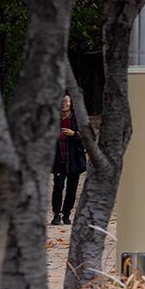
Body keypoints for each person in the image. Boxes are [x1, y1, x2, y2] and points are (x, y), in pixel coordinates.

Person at [51, 93, 86, 225]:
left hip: (74, 161)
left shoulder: (78, 119)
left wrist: (74, 134)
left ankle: (66, 214)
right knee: (58, 186)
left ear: (71, 104)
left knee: (72, 188)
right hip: (59, 160)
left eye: (66, 101)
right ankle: (56, 215)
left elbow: (89, 137)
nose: (63, 103)